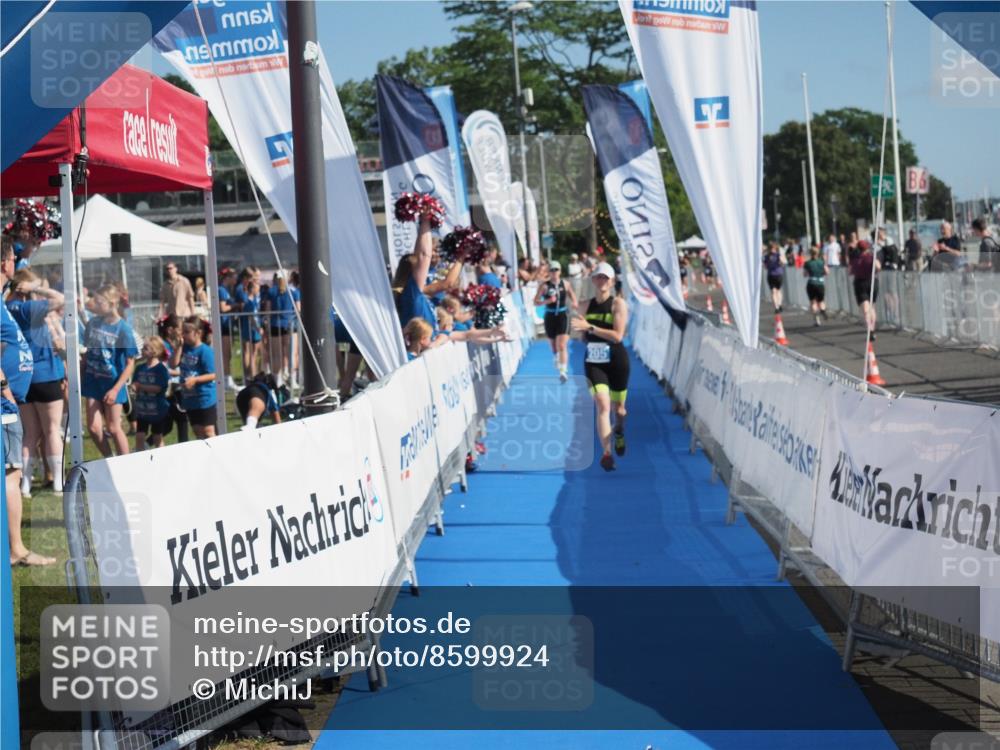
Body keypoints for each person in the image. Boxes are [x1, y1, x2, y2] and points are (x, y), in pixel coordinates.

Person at [5, 269, 65, 494]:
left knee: (30, 433)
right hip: (45, 374)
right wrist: (35, 289)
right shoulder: (28, 308)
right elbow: (60, 299)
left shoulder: (6, 308)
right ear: (24, 288)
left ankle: (26, 484)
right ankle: (59, 482)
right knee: (51, 430)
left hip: (23, 377)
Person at [570, 262, 629, 473]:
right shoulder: (585, 306)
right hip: (595, 361)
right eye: (599, 277)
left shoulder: (618, 304)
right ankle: (607, 453)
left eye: (606, 278)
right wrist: (583, 334)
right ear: (593, 280)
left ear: (612, 281)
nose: (602, 281)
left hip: (617, 360)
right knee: (603, 406)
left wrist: (591, 327)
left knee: (619, 410)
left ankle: (619, 429)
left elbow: (618, 336)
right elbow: (582, 336)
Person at [81, 284, 137, 457]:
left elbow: (130, 364)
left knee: (113, 427)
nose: (95, 305)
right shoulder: (93, 323)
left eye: (99, 302)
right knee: (93, 427)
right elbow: (87, 353)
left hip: (113, 383)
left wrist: (115, 389)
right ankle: (109, 459)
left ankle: (125, 464)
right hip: (93, 381)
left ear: (112, 303)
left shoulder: (124, 329)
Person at [534, 260, 577, 383]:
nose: (554, 272)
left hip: (563, 315)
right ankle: (556, 356)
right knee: (553, 346)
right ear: (549, 272)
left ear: (560, 271)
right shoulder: (544, 286)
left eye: (556, 270)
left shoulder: (566, 284)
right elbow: (535, 302)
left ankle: (563, 371)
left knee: (562, 345)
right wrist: (546, 302)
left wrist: (574, 303)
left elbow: (573, 296)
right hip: (550, 316)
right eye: (552, 270)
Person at [178, 316, 217, 439]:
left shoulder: (205, 351)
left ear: (198, 333)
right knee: (197, 431)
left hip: (204, 398)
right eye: (182, 332)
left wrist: (195, 380)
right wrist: (178, 347)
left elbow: (213, 374)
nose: (183, 335)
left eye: (187, 332)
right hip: (190, 399)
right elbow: (173, 363)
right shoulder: (184, 349)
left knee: (208, 431)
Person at [131, 336, 172, 451]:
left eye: (145, 348)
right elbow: (135, 382)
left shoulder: (160, 369)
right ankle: (139, 457)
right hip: (142, 410)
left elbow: (158, 388)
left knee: (157, 437)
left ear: (155, 352)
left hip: (158, 411)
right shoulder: (139, 368)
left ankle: (161, 457)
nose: (142, 350)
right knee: (139, 436)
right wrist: (134, 387)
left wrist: (141, 386)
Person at [266, 272, 299, 386]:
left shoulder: (271, 291)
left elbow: (268, 310)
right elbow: (298, 309)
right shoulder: (293, 291)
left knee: (276, 354)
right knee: (292, 354)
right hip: (290, 325)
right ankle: (292, 379)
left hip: (275, 325)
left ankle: (278, 380)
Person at [850, 239, 880, 335]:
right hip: (872, 281)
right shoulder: (871, 257)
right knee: (872, 307)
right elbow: (878, 267)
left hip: (860, 283)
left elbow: (850, 271)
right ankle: (872, 328)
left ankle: (870, 329)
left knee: (866, 309)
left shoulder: (855, 259)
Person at [218, 268, 238, 391]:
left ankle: (228, 379)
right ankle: (226, 380)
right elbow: (223, 308)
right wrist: (235, 305)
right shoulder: (222, 290)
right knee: (225, 354)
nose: (235, 280)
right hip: (224, 325)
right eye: (233, 277)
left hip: (227, 325)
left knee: (228, 354)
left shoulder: (226, 290)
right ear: (228, 278)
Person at [802, 246, 828, 326]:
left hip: (811, 283)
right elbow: (827, 271)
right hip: (820, 282)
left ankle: (817, 320)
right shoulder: (821, 262)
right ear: (818, 253)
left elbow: (805, 274)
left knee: (813, 302)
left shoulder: (807, 263)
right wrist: (821, 273)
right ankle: (823, 310)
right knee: (821, 300)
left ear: (810, 254)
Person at [763, 241, 785, 312]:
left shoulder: (778, 255)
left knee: (778, 290)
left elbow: (783, 262)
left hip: (778, 274)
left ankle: (779, 304)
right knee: (773, 291)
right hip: (771, 275)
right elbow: (765, 266)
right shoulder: (767, 256)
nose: (772, 249)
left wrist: (781, 260)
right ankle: (776, 307)